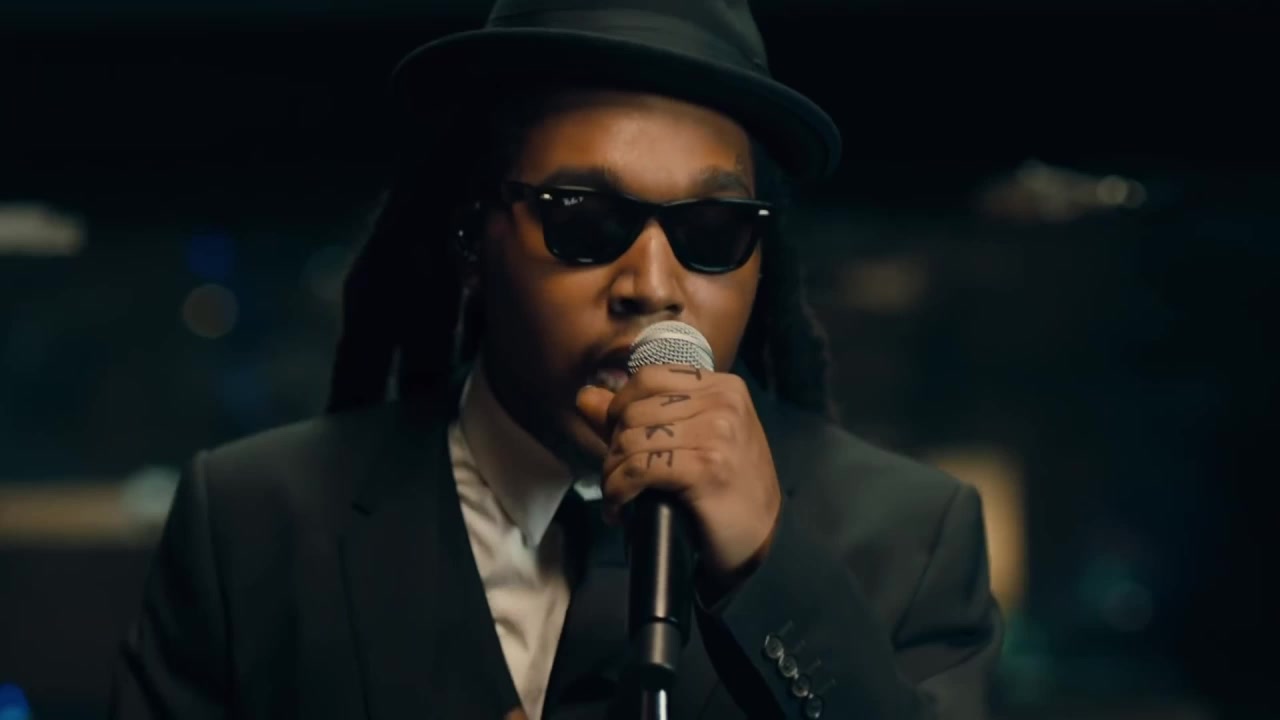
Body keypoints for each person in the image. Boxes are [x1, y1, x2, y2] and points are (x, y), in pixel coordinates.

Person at [110, 1, 1003, 718]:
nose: (653, 285)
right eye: (585, 218)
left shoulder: (911, 537)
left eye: (712, 230)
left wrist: (768, 569)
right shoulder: (253, 523)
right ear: (473, 238)